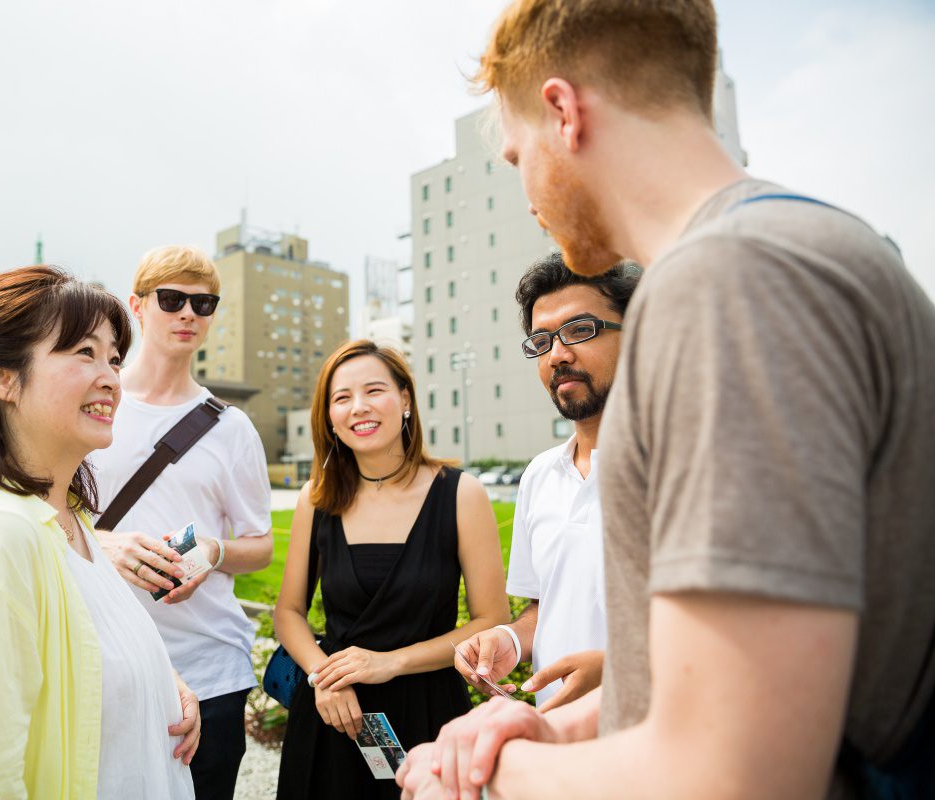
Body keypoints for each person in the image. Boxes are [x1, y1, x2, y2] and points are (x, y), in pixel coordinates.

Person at [398, 1, 935, 798]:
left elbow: (734, 775)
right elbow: (762, 679)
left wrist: (483, 775)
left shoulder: (725, 285)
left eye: (516, 159)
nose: (526, 192)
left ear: (561, 113)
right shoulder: (812, 248)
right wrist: (560, 727)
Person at [0, 266, 197, 798]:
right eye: (83, 352)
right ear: (3, 377)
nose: (110, 378)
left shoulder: (68, 520)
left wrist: (158, 685)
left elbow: (80, 660)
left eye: (114, 358)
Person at [275, 339, 511, 799]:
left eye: (374, 391)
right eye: (341, 398)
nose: (358, 407)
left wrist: (390, 663)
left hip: (428, 715)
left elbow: (492, 621)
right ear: (329, 418)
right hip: (333, 716)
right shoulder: (317, 498)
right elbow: (288, 612)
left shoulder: (461, 494)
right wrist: (323, 676)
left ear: (405, 400)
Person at [92, 245, 272, 800]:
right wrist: (107, 545)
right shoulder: (96, 401)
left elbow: (261, 545)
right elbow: (45, 515)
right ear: (137, 307)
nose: (188, 313)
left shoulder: (232, 426)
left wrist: (212, 553)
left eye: (204, 302)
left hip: (209, 664)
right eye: (171, 299)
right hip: (105, 654)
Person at [453, 252, 639, 711]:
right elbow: (546, 608)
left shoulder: (682, 466)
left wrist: (619, 670)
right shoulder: (539, 476)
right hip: (555, 743)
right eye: (541, 340)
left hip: (654, 753)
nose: (557, 354)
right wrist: (508, 640)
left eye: (580, 330)